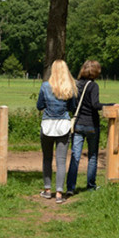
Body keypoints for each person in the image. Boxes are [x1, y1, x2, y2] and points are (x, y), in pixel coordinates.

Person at [66, 60, 115, 195]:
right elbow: (95, 105)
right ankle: (90, 185)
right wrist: (111, 104)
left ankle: (70, 187)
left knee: (75, 156)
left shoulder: (75, 84)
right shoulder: (93, 86)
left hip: (77, 125)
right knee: (92, 156)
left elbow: (71, 105)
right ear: (96, 71)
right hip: (92, 125)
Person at [37, 59, 77, 204]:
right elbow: (72, 107)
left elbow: (39, 105)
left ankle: (47, 190)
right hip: (63, 125)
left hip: (48, 124)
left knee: (47, 158)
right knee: (61, 161)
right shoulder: (70, 87)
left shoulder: (45, 86)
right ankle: (59, 193)